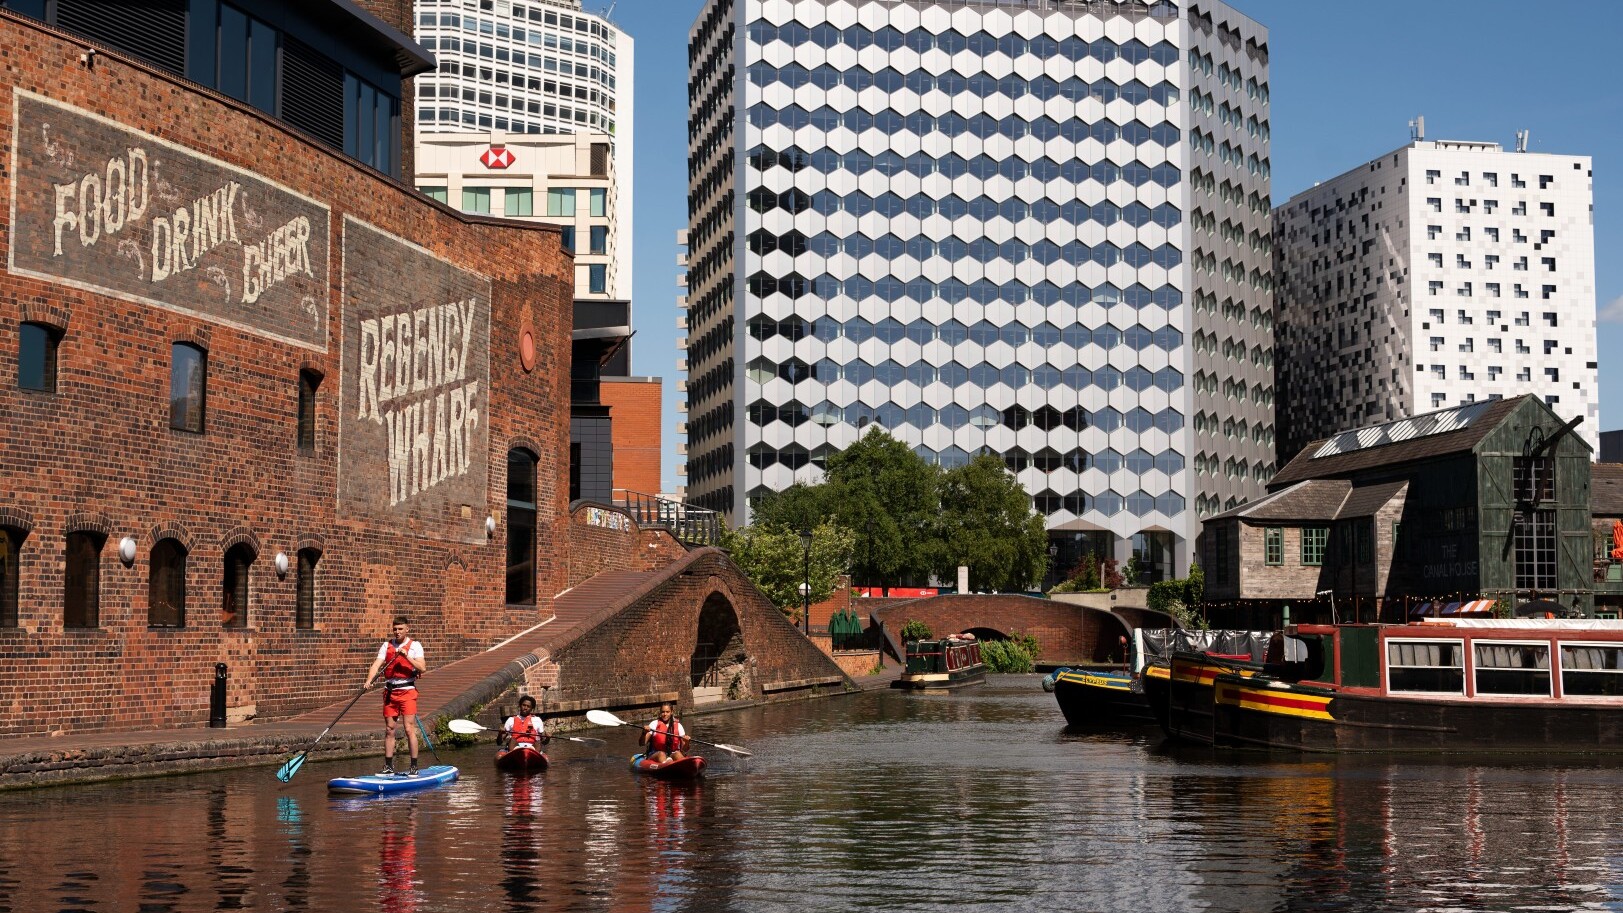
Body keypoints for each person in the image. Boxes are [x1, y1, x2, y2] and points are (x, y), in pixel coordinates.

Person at [363, 616, 427, 776]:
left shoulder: (415, 646)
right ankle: (389, 766)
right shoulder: (387, 645)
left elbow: (422, 667)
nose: (397, 632)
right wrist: (369, 680)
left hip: (407, 691)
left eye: (400, 629)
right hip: (390, 692)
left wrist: (407, 657)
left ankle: (413, 766)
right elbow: (376, 664)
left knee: (408, 728)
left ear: (407, 629)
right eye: (395, 629)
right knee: (390, 729)